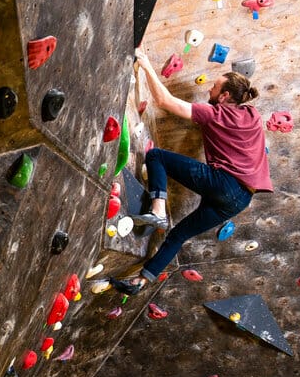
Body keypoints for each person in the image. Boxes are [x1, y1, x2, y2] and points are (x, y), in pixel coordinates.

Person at [110, 50, 272, 296]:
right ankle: (141, 281)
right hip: (241, 199)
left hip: (225, 183)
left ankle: (158, 211)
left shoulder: (215, 113)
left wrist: (146, 65)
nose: (209, 90)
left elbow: (165, 102)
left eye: (215, 88)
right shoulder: (252, 115)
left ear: (225, 96)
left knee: (156, 157)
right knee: (179, 234)